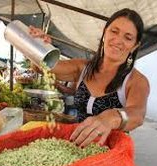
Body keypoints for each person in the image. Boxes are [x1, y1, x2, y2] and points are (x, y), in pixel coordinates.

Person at [30, 8, 150, 148]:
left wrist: (112, 117)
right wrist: (38, 46)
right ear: (104, 32)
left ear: (135, 46)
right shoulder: (82, 68)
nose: (118, 40)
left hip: (109, 156)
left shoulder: (136, 80)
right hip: (73, 148)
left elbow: (137, 114)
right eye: (114, 31)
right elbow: (42, 67)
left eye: (128, 37)